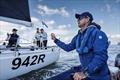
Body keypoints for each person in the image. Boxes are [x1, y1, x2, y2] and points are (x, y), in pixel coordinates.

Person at [51, 12, 111, 80]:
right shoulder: (77, 37)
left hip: (98, 76)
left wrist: (84, 73)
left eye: (80, 18)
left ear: (87, 19)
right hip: (83, 69)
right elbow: (68, 48)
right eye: (77, 19)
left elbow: (101, 57)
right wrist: (56, 40)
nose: (77, 20)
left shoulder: (98, 34)